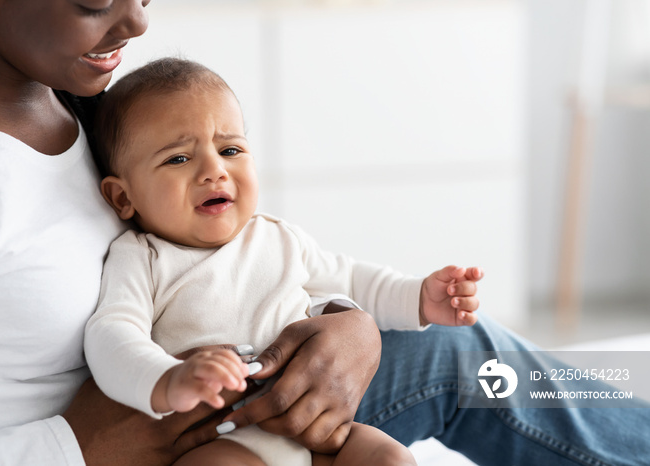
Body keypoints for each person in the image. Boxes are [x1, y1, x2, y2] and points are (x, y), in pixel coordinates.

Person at [0, 1, 648, 465]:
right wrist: (75, 446)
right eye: (95, 0)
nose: (134, 21)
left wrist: (350, 326)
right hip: (159, 433)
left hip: (246, 381)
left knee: (465, 352)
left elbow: (267, 260)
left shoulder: (76, 96)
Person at [84, 57, 484, 466]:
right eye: (178, 159)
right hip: (221, 440)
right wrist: (165, 379)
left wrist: (418, 296)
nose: (214, 170)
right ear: (122, 197)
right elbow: (112, 335)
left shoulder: (276, 236)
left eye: (230, 149)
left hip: (316, 433)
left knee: (388, 457)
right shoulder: (142, 258)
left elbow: (349, 277)